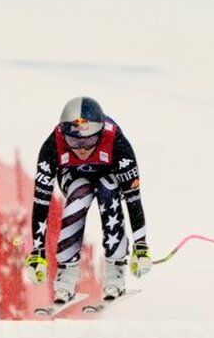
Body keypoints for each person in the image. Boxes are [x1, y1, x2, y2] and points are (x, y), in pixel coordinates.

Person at [23, 97, 150, 306]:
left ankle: (115, 270)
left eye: (89, 141)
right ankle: (66, 274)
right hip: (72, 177)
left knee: (108, 189)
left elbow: (133, 198)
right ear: (64, 134)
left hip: (109, 175)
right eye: (74, 141)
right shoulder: (52, 144)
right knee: (79, 193)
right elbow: (41, 201)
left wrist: (141, 245)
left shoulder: (117, 141)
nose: (82, 148)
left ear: (100, 133)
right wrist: (37, 252)